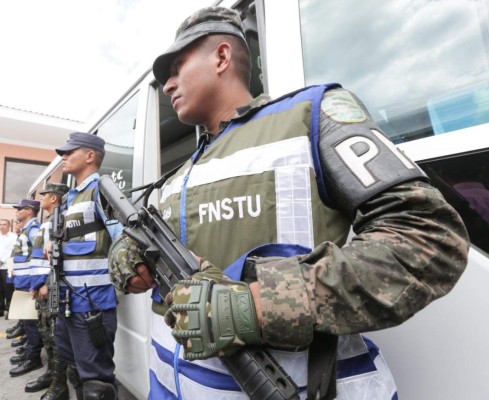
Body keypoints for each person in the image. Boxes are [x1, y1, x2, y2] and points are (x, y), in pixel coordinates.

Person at [109, 7, 469, 400]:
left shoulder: (308, 116)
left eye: (177, 67)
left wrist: (259, 305)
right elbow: (144, 239)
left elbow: (429, 238)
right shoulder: (178, 175)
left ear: (222, 57)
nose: (168, 85)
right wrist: (127, 252)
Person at [53, 132, 122, 400]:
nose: (64, 157)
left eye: (70, 152)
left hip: (92, 304)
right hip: (66, 302)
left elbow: (123, 240)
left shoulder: (101, 190)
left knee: (97, 383)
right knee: (75, 370)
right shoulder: (71, 198)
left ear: (90, 156)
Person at [25, 183, 70, 399]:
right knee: (46, 333)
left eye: (44, 195)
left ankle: (59, 385)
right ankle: (51, 374)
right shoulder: (48, 222)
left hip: (50, 287)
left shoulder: (58, 221)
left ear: (54, 198)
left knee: (54, 335)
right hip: (42, 286)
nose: (40, 198)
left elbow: (53, 260)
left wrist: (44, 284)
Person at [8, 199, 44, 377]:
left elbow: (39, 257)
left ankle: (33, 357)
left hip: (29, 284)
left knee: (31, 323)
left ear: (29, 211)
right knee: (28, 322)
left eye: (19, 209)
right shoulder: (28, 229)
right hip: (23, 282)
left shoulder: (35, 230)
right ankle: (30, 352)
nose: (17, 212)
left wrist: (35, 284)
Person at [0, 219, 17, 318]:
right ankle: (1, 309)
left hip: (7, 267)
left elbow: (12, 252)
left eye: (4, 224)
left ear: (9, 226)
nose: (2, 226)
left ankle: (9, 309)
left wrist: (2, 260)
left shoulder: (13, 237)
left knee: (8, 289)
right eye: (0, 224)